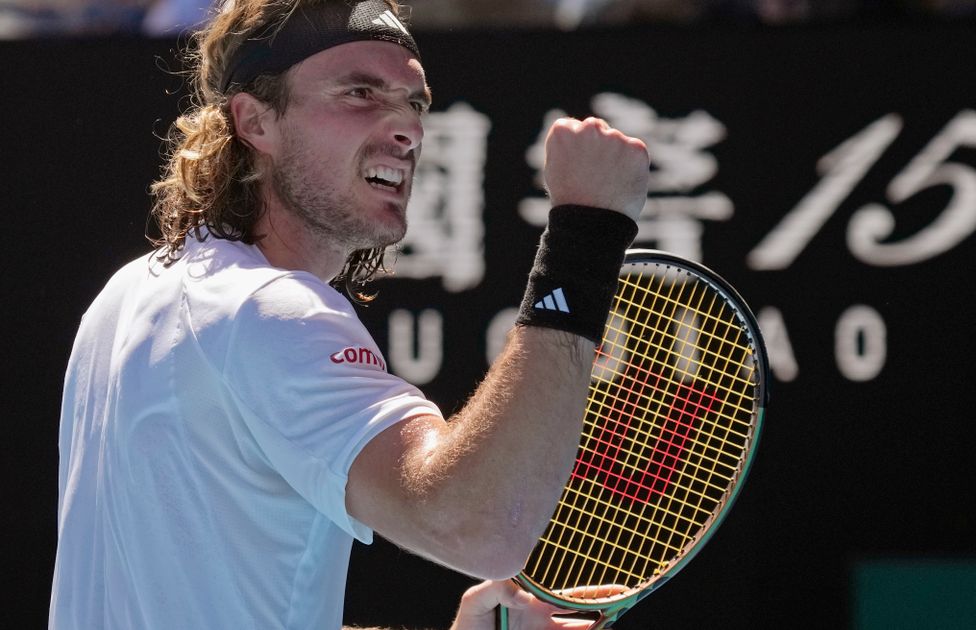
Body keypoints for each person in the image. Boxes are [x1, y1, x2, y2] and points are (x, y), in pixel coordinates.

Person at [49, 0, 649, 628]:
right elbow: (480, 528)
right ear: (255, 121)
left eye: (414, 103)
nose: (407, 128)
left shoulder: (129, 294)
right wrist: (586, 230)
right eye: (360, 93)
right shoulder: (267, 311)